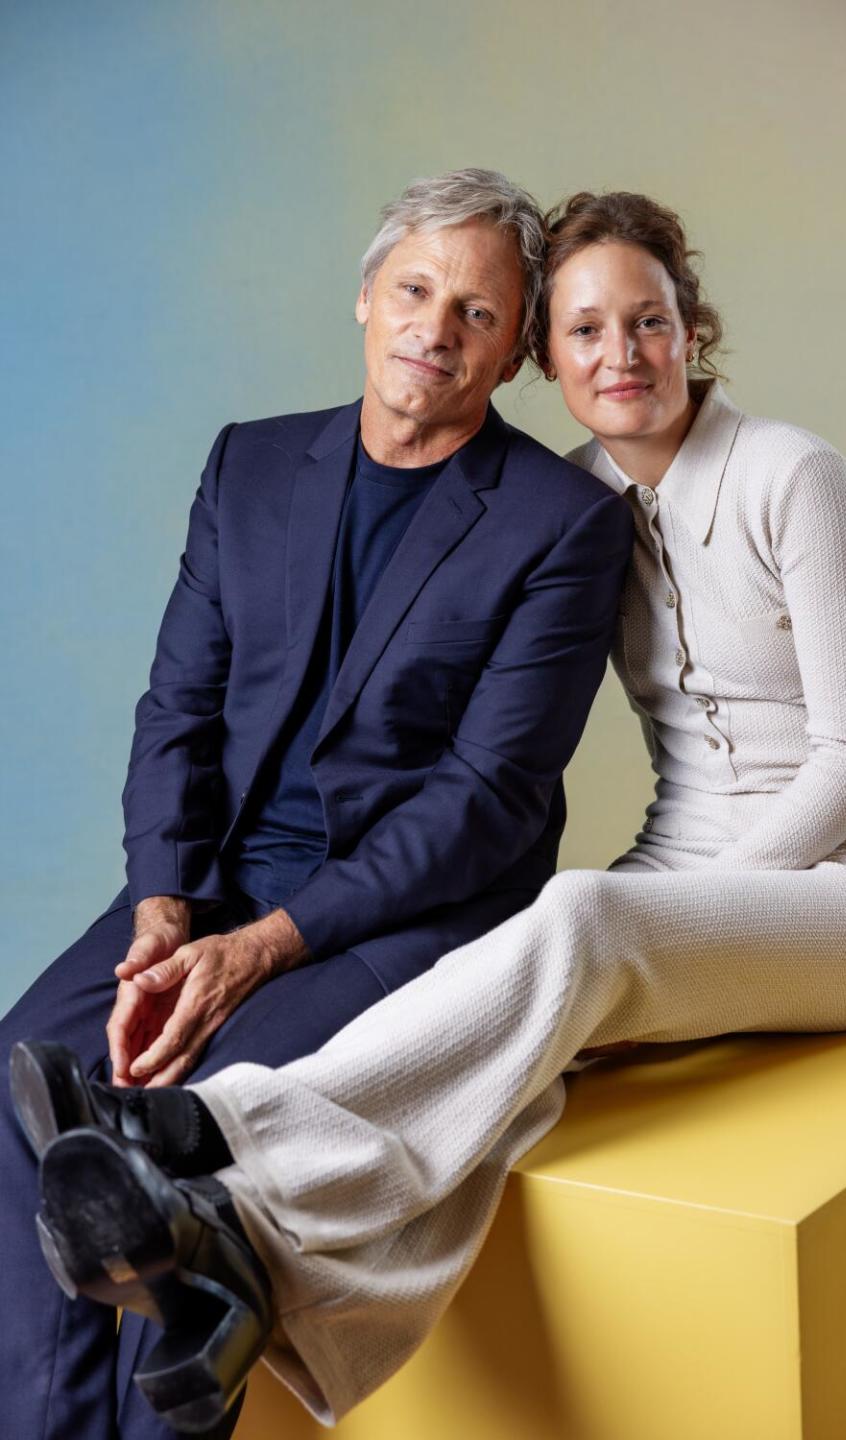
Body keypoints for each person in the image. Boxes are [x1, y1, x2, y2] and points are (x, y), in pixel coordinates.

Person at [15, 190, 846, 1434]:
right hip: (664, 874)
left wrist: (654, 909)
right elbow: (180, 704)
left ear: (692, 330)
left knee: (573, 935)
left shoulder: (773, 479)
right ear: (549, 361)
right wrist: (165, 907)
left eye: (649, 322)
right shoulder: (582, 493)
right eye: (585, 330)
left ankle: (213, 1165)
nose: (620, 354)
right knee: (516, 1067)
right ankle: (203, 1313)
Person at [0, 171, 637, 1439]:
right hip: (212, 879)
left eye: (476, 312)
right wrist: (163, 907)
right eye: (414, 289)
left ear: (512, 354)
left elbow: (488, 801)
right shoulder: (249, 465)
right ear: (365, 295)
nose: (434, 329)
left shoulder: (564, 524)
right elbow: (177, 707)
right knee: (23, 1076)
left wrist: (263, 949)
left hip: (407, 911)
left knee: (184, 1141)